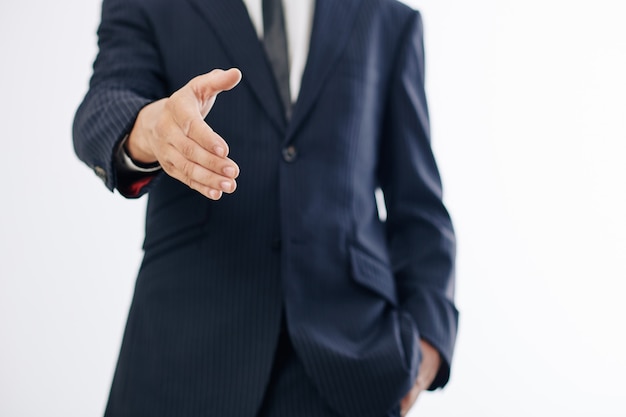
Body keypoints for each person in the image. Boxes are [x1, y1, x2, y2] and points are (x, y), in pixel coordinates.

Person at [73, 0, 458, 416]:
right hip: (182, 356)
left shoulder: (389, 18)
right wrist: (152, 127)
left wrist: (427, 348)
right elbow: (103, 105)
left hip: (351, 365)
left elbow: (419, 206)